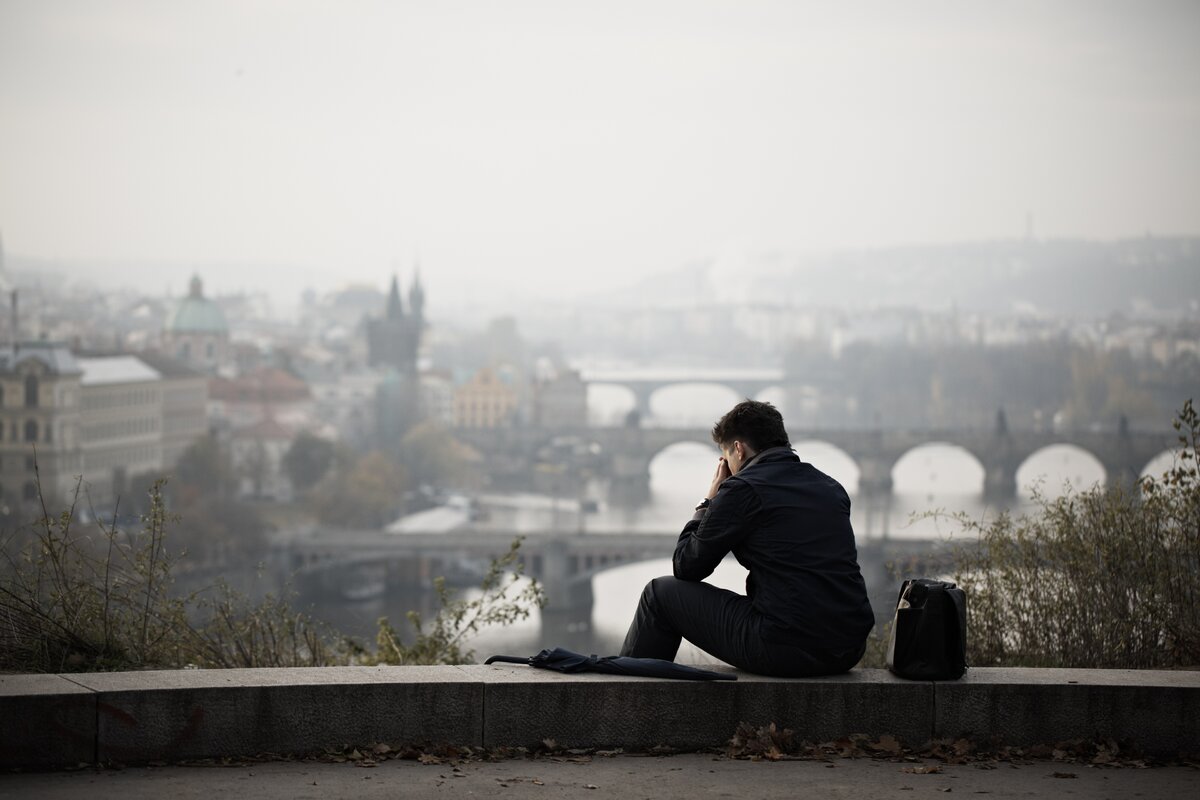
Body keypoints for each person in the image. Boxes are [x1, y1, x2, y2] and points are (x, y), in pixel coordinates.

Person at [619, 399, 875, 677]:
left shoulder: (744, 489)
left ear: (738, 449)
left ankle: (625, 699)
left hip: (785, 646)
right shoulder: (830, 487)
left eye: (726, 455)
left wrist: (709, 500)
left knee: (658, 594)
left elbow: (686, 566)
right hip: (848, 647)